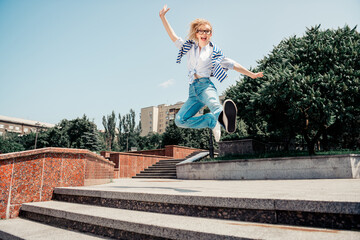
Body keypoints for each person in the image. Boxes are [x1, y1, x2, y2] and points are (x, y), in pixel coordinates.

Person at [159, 5, 263, 142]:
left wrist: (252, 74)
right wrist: (163, 17)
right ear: (197, 34)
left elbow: (232, 64)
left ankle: (225, 121)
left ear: (211, 34)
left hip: (205, 86)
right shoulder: (189, 48)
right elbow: (174, 37)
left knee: (214, 105)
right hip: (193, 92)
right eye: (201, 31)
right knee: (179, 120)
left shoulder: (214, 52)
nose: (204, 33)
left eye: (208, 31)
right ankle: (210, 121)